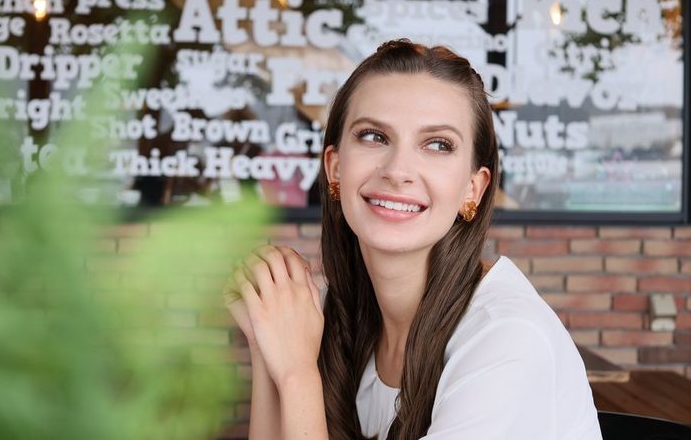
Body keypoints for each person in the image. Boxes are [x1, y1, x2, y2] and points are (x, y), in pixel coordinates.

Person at [223, 40, 603, 440]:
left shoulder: (507, 338)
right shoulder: (345, 321)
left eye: (437, 144)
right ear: (335, 169)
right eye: (373, 136)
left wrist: (297, 373)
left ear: (474, 188)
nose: (398, 170)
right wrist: (266, 346)